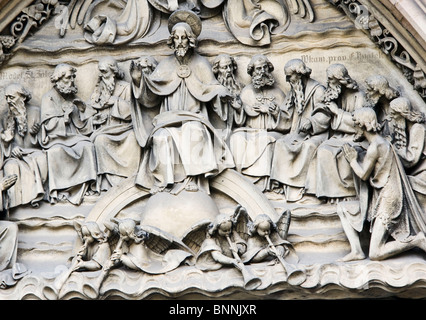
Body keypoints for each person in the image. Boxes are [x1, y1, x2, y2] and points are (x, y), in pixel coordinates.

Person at [130, 10, 235, 194]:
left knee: (193, 132)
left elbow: (211, 87)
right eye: (176, 38)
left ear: (190, 40)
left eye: (183, 38)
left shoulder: (201, 64)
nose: (180, 42)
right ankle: (164, 182)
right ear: (172, 41)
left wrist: (221, 92)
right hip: (168, 119)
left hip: (194, 118)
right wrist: (139, 80)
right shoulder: (165, 65)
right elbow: (151, 94)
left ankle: (192, 180)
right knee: (160, 137)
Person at [339, 107, 426, 261]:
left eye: (356, 125)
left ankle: (416, 240)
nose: (355, 129)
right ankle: (357, 250)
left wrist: (352, 160)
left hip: (389, 200)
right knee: (342, 208)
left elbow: (364, 174)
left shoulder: (375, 147)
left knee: (375, 253)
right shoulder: (383, 141)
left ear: (364, 125)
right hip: (385, 196)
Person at [40, 63, 106, 205]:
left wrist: (91, 120)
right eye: (68, 78)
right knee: (56, 152)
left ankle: (86, 188)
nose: (71, 82)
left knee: (87, 146)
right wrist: (64, 117)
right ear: (59, 79)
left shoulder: (71, 96)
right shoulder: (48, 98)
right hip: (55, 138)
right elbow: (48, 125)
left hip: (72, 137)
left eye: (72, 78)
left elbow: (79, 125)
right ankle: (62, 191)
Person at [305, 63, 367, 201]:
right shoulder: (335, 94)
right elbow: (324, 113)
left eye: (331, 79)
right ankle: (329, 195)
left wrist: (337, 112)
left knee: (335, 152)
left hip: (356, 139)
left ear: (341, 80)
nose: (328, 82)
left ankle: (344, 193)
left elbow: (361, 124)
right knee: (322, 150)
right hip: (339, 137)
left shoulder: (359, 97)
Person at [270, 59, 327, 201]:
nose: (287, 79)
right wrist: (277, 112)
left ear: (299, 74)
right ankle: (285, 187)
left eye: (290, 75)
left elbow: (325, 114)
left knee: (308, 147)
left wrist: (312, 122)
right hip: (297, 132)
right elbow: (287, 114)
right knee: (281, 143)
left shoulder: (318, 90)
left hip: (317, 133)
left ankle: (304, 189)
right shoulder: (295, 90)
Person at [230, 54, 286, 191]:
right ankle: (242, 181)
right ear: (252, 72)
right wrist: (239, 109)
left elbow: (287, 119)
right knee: (236, 138)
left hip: (272, 131)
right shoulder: (247, 92)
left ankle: (263, 185)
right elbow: (240, 119)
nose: (262, 72)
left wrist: (274, 112)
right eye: (258, 69)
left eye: (265, 68)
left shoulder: (278, 93)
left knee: (266, 139)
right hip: (250, 131)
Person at [89, 57, 141, 192]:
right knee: (100, 140)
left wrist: (116, 102)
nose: (101, 75)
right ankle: (108, 183)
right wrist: (95, 118)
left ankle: (128, 178)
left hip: (124, 128)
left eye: (104, 71)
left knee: (133, 139)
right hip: (106, 129)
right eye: (100, 72)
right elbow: (91, 110)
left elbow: (134, 111)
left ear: (113, 72)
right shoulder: (98, 90)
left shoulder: (125, 87)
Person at [1, 83, 47, 209]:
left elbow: (44, 140)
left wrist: (35, 134)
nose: (9, 101)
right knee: (11, 166)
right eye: (7, 98)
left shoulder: (36, 112)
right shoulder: (5, 117)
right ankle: (15, 206)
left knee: (42, 159)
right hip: (13, 156)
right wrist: (8, 145)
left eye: (12, 97)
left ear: (22, 98)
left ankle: (36, 200)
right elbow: (4, 144)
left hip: (33, 151)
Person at [211, 54, 245, 140]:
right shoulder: (212, 89)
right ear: (217, 69)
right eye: (224, 67)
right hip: (217, 131)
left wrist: (239, 109)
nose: (229, 70)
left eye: (230, 66)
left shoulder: (241, 88)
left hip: (235, 133)